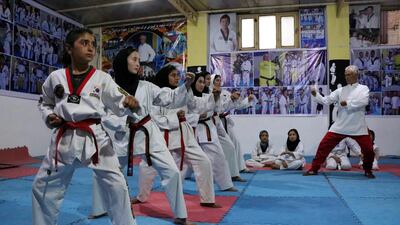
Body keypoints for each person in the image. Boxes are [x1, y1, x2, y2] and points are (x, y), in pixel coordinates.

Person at [32, 28, 139, 225]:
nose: (90, 48)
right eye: (84, 43)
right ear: (69, 48)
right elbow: (44, 102)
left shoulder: (102, 78)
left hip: (95, 138)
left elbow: (118, 99)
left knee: (117, 186)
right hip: (63, 137)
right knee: (42, 187)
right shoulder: (55, 77)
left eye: (93, 44)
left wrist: (128, 102)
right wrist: (48, 116)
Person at [89, 47, 196, 225]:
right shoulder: (111, 89)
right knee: (103, 172)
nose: (138, 63)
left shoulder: (146, 87)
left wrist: (185, 86)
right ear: (123, 62)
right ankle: (99, 208)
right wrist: (121, 123)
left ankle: (181, 215)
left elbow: (169, 97)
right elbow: (103, 115)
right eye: (134, 59)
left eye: (139, 59)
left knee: (172, 172)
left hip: (148, 133)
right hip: (122, 136)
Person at [135, 66, 221, 208]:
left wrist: (213, 97)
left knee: (203, 161)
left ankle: (208, 199)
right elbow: (155, 118)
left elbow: (197, 108)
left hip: (183, 133)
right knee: (146, 166)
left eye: (177, 75)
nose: (176, 78)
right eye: (173, 75)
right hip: (161, 135)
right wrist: (176, 117)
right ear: (164, 77)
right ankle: (141, 196)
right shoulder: (156, 95)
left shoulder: (184, 92)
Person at [304, 65, 376, 178]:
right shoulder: (340, 90)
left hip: (358, 125)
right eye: (346, 74)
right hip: (340, 125)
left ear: (356, 75)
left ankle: (368, 170)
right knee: (324, 145)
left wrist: (347, 103)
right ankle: (314, 168)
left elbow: (364, 101)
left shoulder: (363, 88)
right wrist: (315, 94)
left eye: (349, 74)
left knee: (368, 150)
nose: (347, 77)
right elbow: (326, 100)